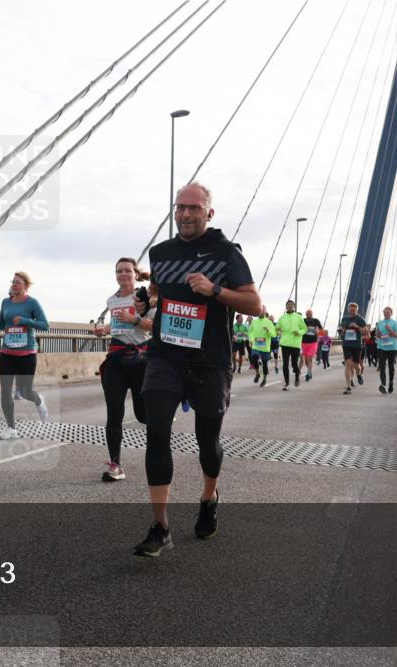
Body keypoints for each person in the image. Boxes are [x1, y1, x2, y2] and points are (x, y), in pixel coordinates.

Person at [132, 181, 261, 557]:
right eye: (180, 208)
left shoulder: (226, 253)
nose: (186, 214)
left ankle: (209, 496)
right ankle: (160, 526)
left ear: (209, 212)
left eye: (194, 208)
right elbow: (157, 290)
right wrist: (147, 300)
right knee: (156, 432)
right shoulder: (161, 252)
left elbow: (253, 303)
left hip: (209, 362)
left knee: (208, 444)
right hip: (165, 356)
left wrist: (215, 291)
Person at [93, 258, 154, 482]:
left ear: (136, 274)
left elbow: (155, 327)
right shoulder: (112, 300)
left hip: (139, 360)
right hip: (116, 360)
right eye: (119, 271)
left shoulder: (145, 297)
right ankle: (116, 465)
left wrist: (134, 319)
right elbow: (117, 325)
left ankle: (163, 420)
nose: (123, 274)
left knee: (143, 415)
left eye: (127, 270)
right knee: (114, 414)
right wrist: (104, 330)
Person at [0, 272, 50, 439]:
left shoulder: (32, 303)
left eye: (18, 282)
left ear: (26, 286)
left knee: (24, 391)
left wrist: (25, 321)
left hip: (27, 352)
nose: (14, 285)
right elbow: (2, 325)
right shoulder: (5, 302)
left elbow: (45, 325)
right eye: (12, 282)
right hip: (7, 351)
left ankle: (38, 400)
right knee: (5, 391)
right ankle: (11, 428)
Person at [340, 302, 369, 394]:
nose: (352, 311)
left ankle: (359, 374)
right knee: (348, 364)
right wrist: (342, 332)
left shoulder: (360, 319)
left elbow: (366, 332)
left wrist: (357, 326)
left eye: (354, 310)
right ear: (348, 310)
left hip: (356, 345)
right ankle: (348, 387)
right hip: (346, 344)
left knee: (357, 366)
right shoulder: (344, 319)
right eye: (350, 310)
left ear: (357, 310)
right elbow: (342, 328)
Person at [276, 300, 304, 390]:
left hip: (295, 344)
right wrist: (276, 329)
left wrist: (299, 332)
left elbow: (304, 329)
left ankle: (296, 375)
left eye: (292, 304)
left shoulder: (299, 317)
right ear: (286, 307)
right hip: (285, 343)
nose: (290, 306)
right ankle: (286, 382)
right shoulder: (282, 318)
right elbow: (276, 328)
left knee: (294, 364)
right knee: (285, 364)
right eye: (288, 305)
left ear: (294, 307)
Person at [248, 307, 276, 387]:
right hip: (256, 345)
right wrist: (250, 340)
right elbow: (250, 332)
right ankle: (257, 374)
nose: (260, 312)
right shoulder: (254, 322)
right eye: (259, 311)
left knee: (264, 364)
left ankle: (264, 379)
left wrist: (268, 331)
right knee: (254, 357)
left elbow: (274, 334)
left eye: (262, 311)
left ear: (265, 312)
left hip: (265, 346)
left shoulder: (269, 322)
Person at [375, 306, 397, 394]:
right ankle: (383, 385)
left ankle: (391, 383)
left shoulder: (394, 323)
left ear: (391, 313)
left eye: (388, 312)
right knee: (382, 366)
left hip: (392, 348)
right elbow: (377, 335)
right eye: (384, 312)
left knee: (391, 367)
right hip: (381, 347)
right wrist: (378, 334)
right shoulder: (380, 323)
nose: (386, 314)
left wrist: (390, 330)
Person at [301, 309, 322, 381]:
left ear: (312, 314)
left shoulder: (316, 321)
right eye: (308, 314)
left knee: (310, 358)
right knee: (306, 359)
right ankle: (309, 370)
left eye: (310, 314)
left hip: (313, 342)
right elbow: (299, 329)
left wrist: (317, 331)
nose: (309, 315)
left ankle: (309, 373)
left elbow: (321, 329)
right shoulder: (303, 321)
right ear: (306, 314)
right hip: (304, 342)